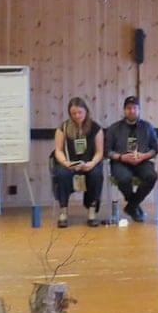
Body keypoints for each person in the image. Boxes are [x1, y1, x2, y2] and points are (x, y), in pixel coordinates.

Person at [104, 95, 158, 222]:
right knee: (124, 178)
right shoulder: (114, 128)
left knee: (151, 176)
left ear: (139, 110)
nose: (132, 111)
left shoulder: (147, 127)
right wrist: (121, 157)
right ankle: (134, 206)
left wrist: (144, 156)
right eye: (129, 108)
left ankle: (131, 206)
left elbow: (155, 149)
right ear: (124, 110)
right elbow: (107, 151)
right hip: (121, 162)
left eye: (135, 108)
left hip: (142, 161)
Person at [52, 96, 105, 228]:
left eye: (80, 112)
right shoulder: (62, 127)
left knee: (96, 174)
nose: (77, 116)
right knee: (61, 174)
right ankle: (63, 210)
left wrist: (92, 163)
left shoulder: (95, 128)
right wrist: (65, 162)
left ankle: (92, 210)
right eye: (73, 113)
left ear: (86, 111)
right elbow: (58, 150)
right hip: (69, 163)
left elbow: (99, 152)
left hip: (89, 163)